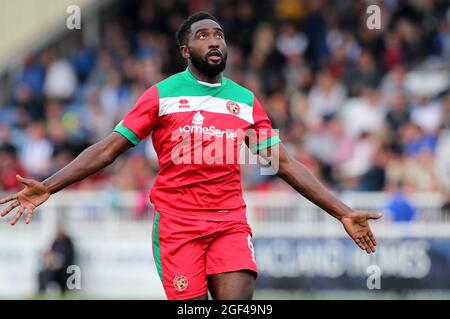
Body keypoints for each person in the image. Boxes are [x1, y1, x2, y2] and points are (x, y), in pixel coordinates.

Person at [0, 12, 382, 300]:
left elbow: (283, 163)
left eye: (219, 35)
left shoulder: (245, 101)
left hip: (229, 222)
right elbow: (108, 149)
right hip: (178, 226)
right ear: (186, 51)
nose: (214, 41)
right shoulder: (160, 95)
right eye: (203, 36)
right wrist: (49, 186)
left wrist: (343, 212)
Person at [37, 228, 76, 295]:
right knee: (42, 273)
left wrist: (57, 260)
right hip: (53, 269)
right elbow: (50, 254)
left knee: (63, 274)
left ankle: (64, 293)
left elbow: (68, 259)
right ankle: (41, 293)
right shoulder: (55, 242)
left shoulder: (68, 243)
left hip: (65, 270)